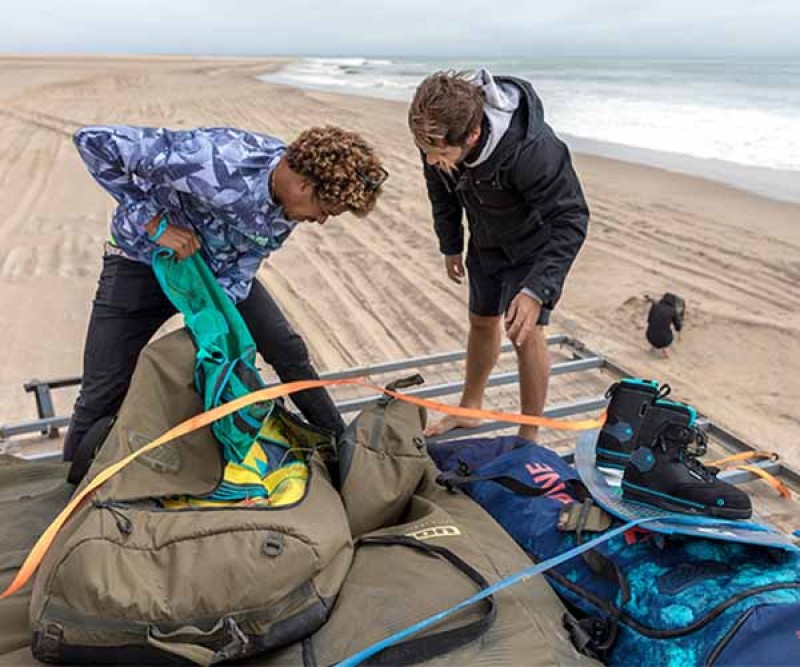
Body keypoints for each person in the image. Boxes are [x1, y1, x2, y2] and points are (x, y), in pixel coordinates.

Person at [63, 124, 387, 462]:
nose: (320, 221)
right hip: (142, 264)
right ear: (304, 186)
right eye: (325, 212)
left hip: (215, 277)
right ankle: (69, 490)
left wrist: (217, 322)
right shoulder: (214, 158)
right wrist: (154, 224)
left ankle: (341, 449)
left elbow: (250, 258)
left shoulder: (291, 202)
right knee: (102, 390)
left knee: (285, 348)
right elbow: (93, 142)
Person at [409, 69, 589, 441]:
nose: (430, 160)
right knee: (481, 321)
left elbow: (571, 219)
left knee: (525, 334)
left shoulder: (534, 151)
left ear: (473, 135)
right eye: (427, 151)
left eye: (439, 154)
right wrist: (451, 243)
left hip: (533, 248)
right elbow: (439, 190)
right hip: (486, 240)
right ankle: (470, 409)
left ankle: (529, 435)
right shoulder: (436, 130)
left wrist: (538, 289)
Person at [646, 292, 685, 357]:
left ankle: (653, 346)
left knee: (657, 327)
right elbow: (678, 326)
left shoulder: (655, 305)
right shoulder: (673, 311)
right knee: (666, 333)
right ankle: (664, 349)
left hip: (649, 337)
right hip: (664, 341)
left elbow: (649, 320)